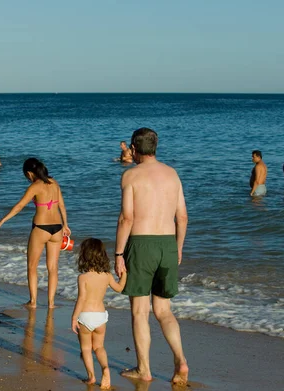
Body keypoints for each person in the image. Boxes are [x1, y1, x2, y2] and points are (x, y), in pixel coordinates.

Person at [114, 127, 188, 385]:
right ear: (155, 147)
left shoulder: (131, 175)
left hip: (141, 243)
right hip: (167, 244)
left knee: (139, 311)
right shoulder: (172, 174)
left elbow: (127, 218)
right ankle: (180, 359)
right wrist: (178, 247)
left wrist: (119, 253)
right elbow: (182, 216)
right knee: (164, 310)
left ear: (134, 149)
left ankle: (144, 368)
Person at [0, 158, 71, 308]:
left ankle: (33, 302)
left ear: (29, 173)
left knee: (32, 266)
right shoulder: (54, 183)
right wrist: (66, 225)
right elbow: (62, 206)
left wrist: (2, 220)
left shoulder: (35, 187)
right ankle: (51, 303)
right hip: (57, 229)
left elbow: (19, 206)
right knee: (53, 267)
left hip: (41, 228)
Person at [72, 238, 127, 389]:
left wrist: (74, 317)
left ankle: (91, 377)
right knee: (99, 347)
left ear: (84, 256)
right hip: (101, 317)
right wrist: (124, 274)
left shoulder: (82, 277)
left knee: (86, 348)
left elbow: (82, 298)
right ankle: (105, 368)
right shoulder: (107, 276)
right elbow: (120, 288)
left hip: (85, 316)